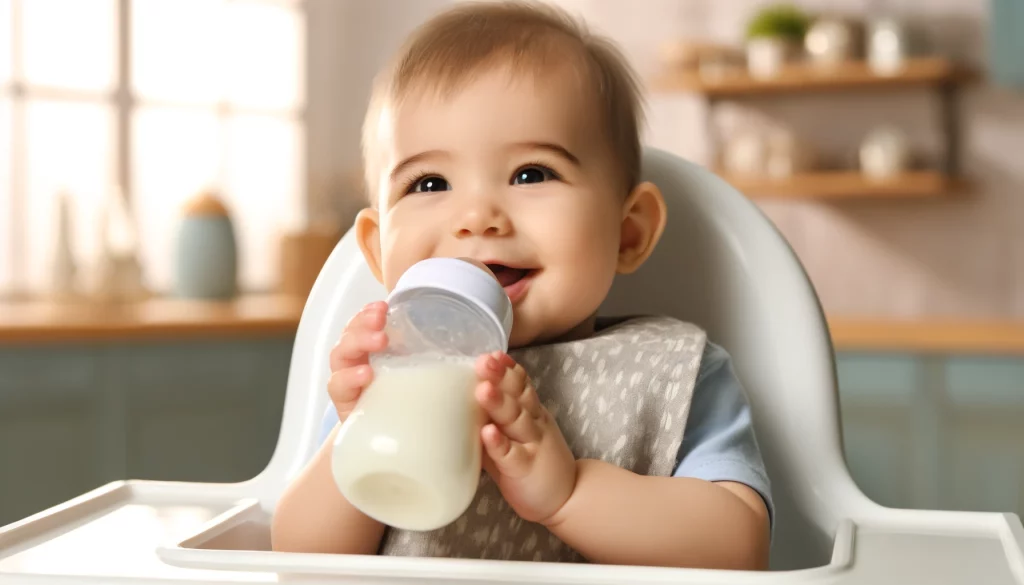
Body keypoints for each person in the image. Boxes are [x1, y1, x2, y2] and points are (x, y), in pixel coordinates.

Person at [273, 1, 771, 570]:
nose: (477, 216)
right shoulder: (388, 372)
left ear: (627, 232)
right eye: (430, 182)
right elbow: (299, 558)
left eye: (531, 174)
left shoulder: (674, 369)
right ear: (380, 252)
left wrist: (570, 494)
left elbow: (738, 546)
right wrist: (357, 431)